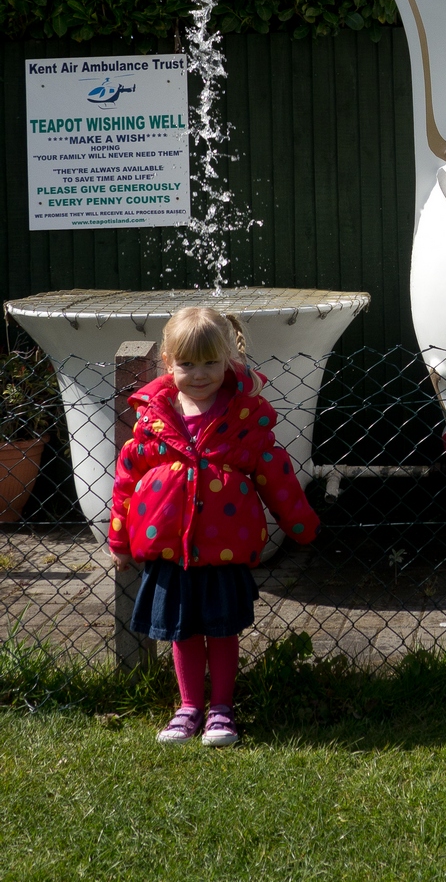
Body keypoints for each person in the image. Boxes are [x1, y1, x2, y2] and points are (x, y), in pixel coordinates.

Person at [109, 305, 320, 747]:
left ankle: (221, 708)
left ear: (228, 362)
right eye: (187, 363)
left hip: (224, 549)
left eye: (210, 363)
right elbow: (127, 477)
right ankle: (188, 708)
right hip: (171, 551)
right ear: (168, 364)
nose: (199, 374)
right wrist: (120, 536)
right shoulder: (153, 418)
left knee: (222, 630)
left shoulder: (244, 419)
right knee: (183, 633)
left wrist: (300, 523)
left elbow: (274, 473)